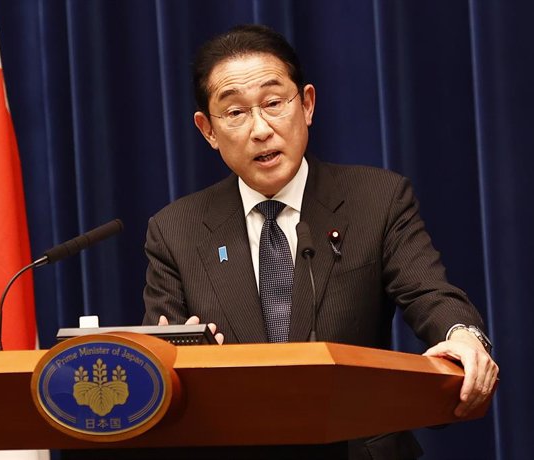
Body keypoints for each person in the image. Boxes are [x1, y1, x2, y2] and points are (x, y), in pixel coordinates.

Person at [142, 24, 498, 458]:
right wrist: (187, 364)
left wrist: (462, 335)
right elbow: (162, 366)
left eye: (274, 103)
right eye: (235, 112)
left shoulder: (376, 200)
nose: (260, 129)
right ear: (208, 130)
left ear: (306, 104)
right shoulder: (176, 230)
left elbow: (430, 293)